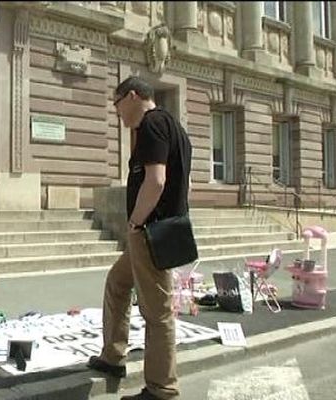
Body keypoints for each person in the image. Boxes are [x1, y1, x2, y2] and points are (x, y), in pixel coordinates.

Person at [87, 77, 191, 400]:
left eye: (117, 104)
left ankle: (162, 389)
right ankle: (113, 356)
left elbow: (156, 181)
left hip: (150, 232)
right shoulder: (176, 128)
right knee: (117, 283)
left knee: (157, 312)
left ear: (132, 96)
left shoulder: (152, 124)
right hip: (161, 229)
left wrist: (135, 221)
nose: (117, 113)